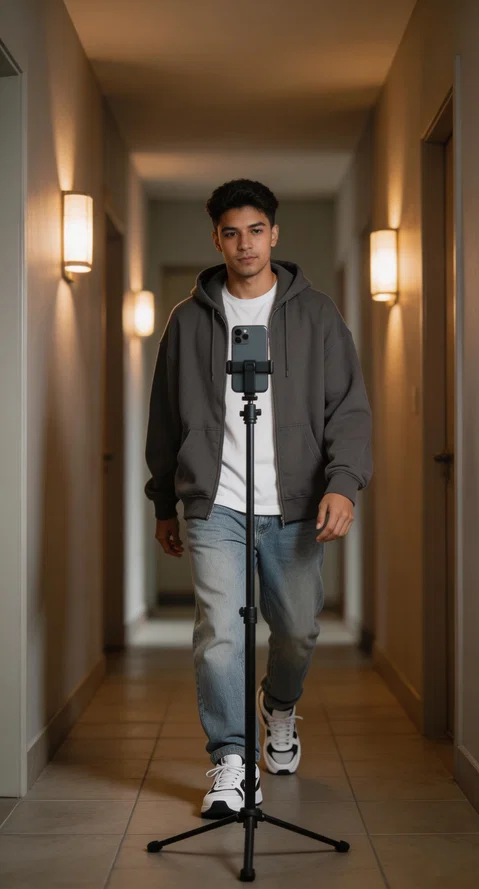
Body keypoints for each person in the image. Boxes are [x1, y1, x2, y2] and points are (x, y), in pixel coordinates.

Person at [144, 179, 372, 818]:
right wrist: (164, 503)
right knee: (220, 631)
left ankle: (280, 705)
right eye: (231, 233)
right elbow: (165, 418)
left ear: (274, 234)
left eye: (255, 231)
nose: (244, 244)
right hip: (214, 503)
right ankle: (232, 760)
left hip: (294, 506)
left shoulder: (317, 314)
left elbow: (349, 410)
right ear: (216, 239)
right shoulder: (189, 320)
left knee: (297, 630)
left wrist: (343, 484)